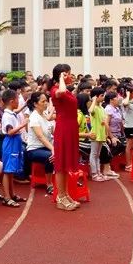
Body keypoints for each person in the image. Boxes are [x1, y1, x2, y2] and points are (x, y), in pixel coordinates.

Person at [49, 64, 80, 210]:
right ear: (61, 75)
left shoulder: (66, 90)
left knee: (66, 164)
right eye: (68, 74)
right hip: (63, 128)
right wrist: (61, 78)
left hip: (71, 128)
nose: (71, 76)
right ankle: (60, 197)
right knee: (61, 165)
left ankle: (65, 193)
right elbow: (60, 91)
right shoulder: (56, 89)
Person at [0, 89, 28, 207]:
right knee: (8, 170)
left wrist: (26, 104)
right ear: (12, 101)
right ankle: (7, 197)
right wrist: (22, 124)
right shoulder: (7, 116)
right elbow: (10, 132)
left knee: (12, 171)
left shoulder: (11, 113)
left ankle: (12, 194)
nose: (18, 102)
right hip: (11, 142)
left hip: (15, 142)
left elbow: (16, 110)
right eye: (17, 100)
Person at [26, 92, 55, 195]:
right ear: (35, 104)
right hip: (34, 149)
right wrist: (53, 149)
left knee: (64, 152)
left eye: (46, 101)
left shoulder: (45, 115)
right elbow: (40, 136)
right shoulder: (34, 117)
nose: (46, 103)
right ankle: (49, 184)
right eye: (43, 101)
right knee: (50, 156)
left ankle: (67, 178)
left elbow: (52, 131)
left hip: (46, 146)